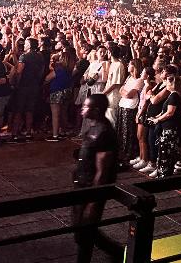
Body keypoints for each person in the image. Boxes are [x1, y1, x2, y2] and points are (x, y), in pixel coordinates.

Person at [72, 93, 120, 263]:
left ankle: (115, 253)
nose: (82, 109)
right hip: (82, 184)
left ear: (97, 110)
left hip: (92, 189)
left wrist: (93, 201)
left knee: (86, 231)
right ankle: (117, 252)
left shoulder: (105, 132)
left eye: (86, 106)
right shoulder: (92, 126)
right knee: (80, 227)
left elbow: (103, 171)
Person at [148, 70, 181, 179]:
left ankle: (164, 176)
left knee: (166, 154)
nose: (166, 84)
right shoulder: (172, 95)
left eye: (168, 81)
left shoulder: (174, 96)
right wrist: (156, 117)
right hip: (167, 129)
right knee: (164, 153)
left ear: (173, 84)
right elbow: (164, 112)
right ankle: (162, 174)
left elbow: (169, 113)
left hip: (170, 130)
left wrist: (157, 120)